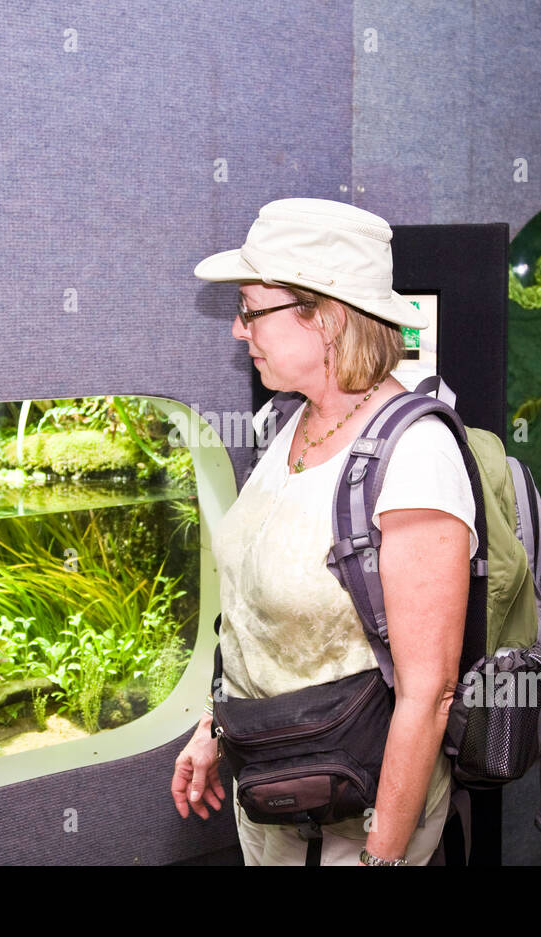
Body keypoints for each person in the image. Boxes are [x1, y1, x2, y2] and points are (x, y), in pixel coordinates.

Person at [170, 197, 477, 866]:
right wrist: (214, 730)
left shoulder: (417, 457)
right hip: (275, 796)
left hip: (357, 825)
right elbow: (254, 619)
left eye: (251, 308)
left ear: (327, 318)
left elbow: (429, 694)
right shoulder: (292, 428)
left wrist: (382, 858)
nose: (238, 329)